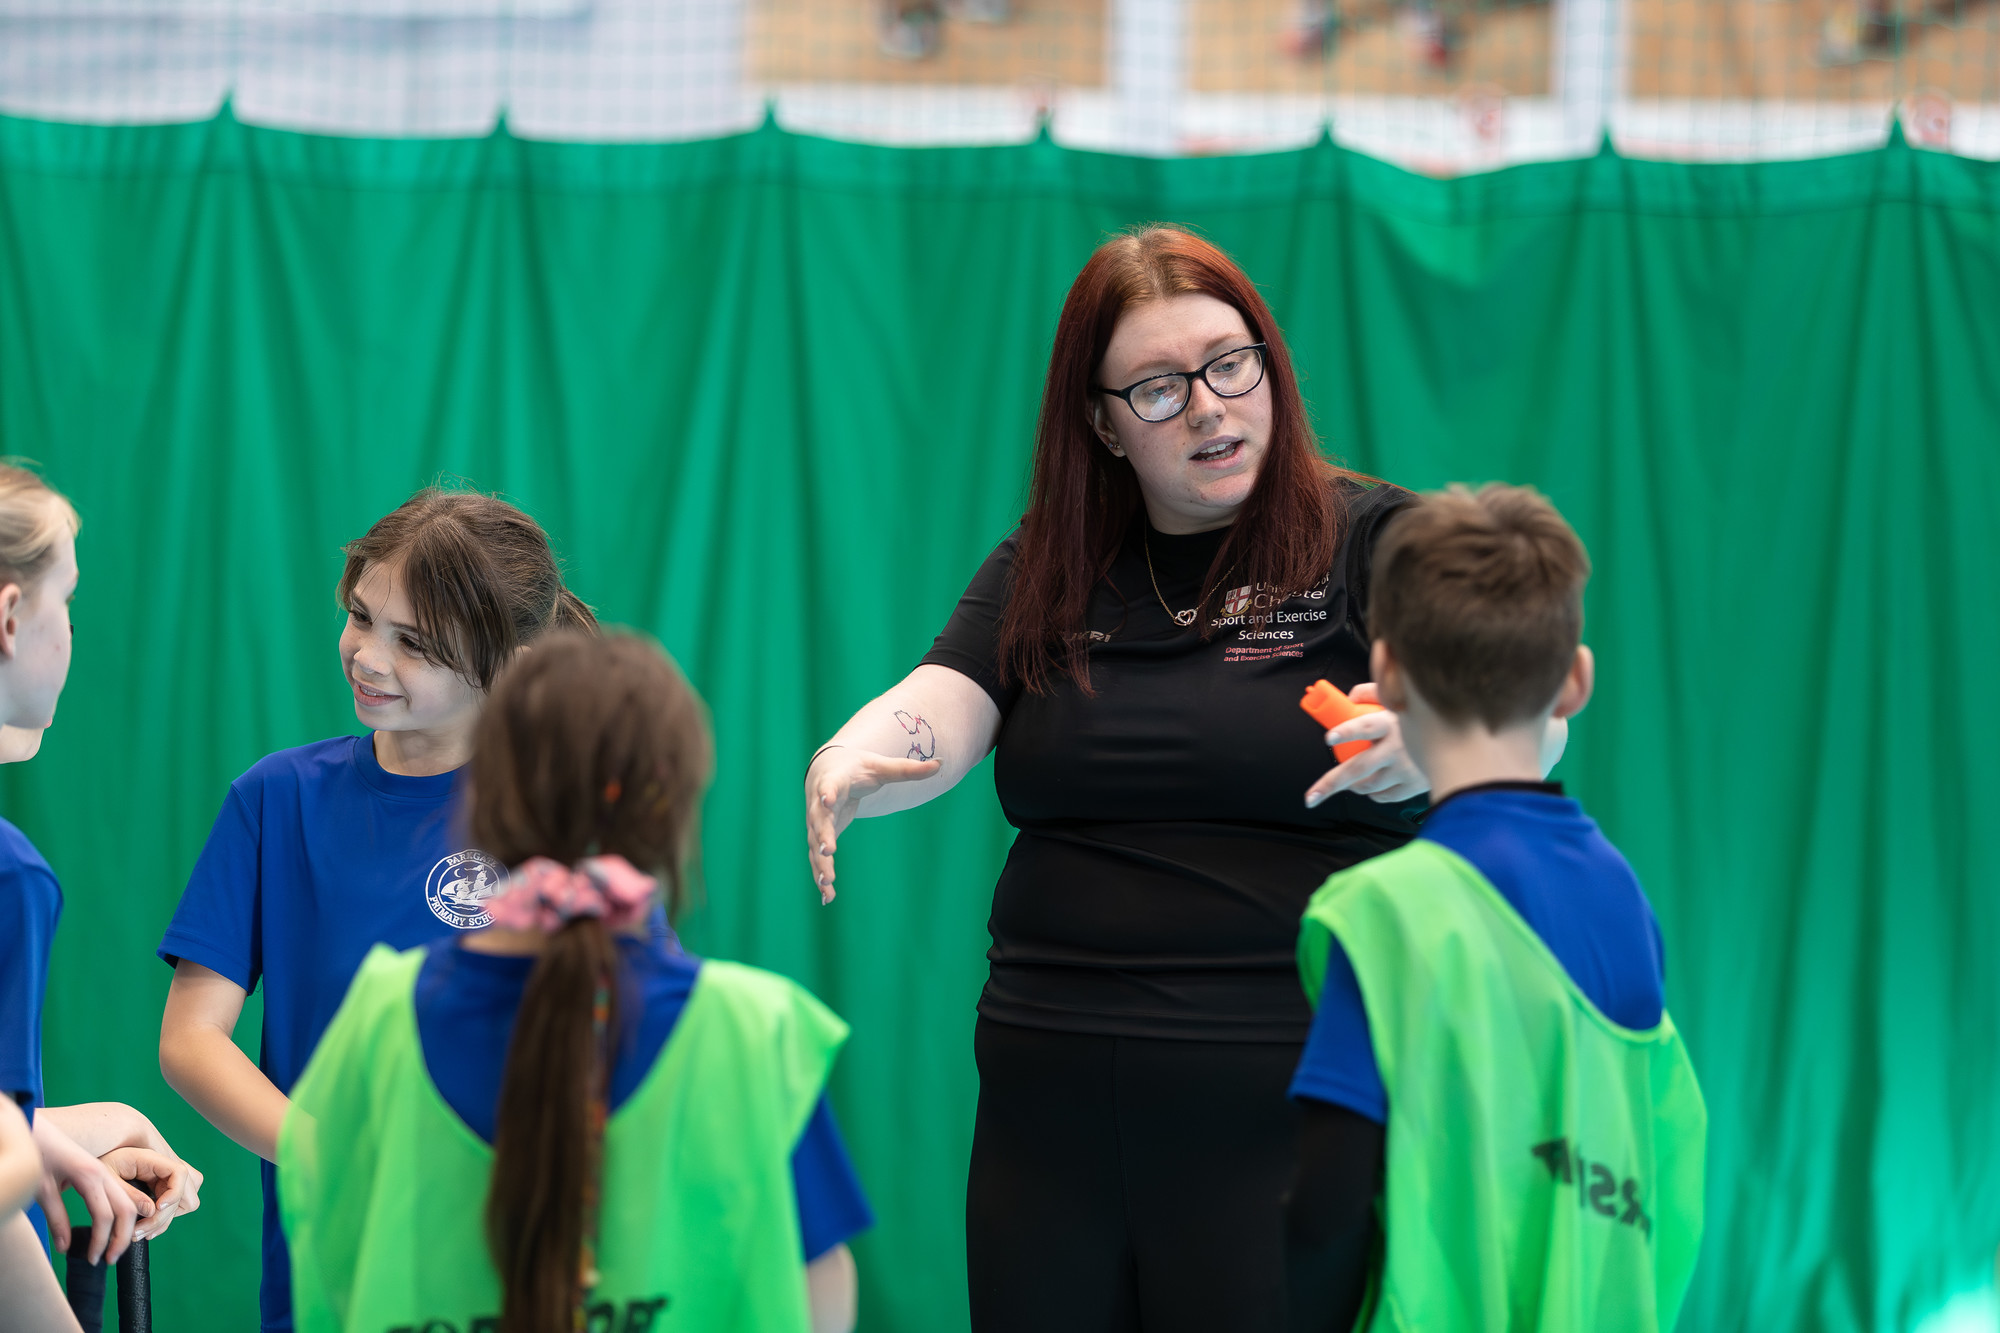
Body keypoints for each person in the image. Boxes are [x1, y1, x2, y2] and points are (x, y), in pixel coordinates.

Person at [804, 226, 1480, 1330]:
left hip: (1283, 1083)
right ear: (1102, 422)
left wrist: (1436, 743)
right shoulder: (1051, 561)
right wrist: (850, 755)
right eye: (1158, 389)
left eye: (1228, 364)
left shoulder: (1375, 541)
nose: (1208, 407)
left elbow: (1509, 722)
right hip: (1046, 1093)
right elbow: (939, 702)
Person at [280, 632, 869, 1333]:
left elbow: (327, 1262)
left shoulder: (381, 1014)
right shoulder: (757, 1029)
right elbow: (818, 1282)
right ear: (673, 805)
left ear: (486, 793)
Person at [157, 486, 596, 1333]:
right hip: (337, 1263)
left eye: (415, 644)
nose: (366, 656)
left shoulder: (558, 814)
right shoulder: (276, 798)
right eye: (361, 617)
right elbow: (190, 1039)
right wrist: (335, 1155)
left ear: (510, 658)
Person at [1283, 484, 1706, 1331]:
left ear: (1388, 671)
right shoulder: (1623, 898)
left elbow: (1325, 1207)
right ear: (1575, 680)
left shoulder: (1380, 912)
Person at [0, 465, 202, 1332]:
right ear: (11, 618)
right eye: (66, 602)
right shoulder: (11, 877)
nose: (72, 632)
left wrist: (71, 1128)